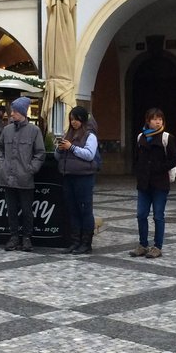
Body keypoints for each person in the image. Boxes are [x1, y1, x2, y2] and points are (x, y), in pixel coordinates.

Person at [0, 96, 45, 252]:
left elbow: (40, 153)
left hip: (25, 178)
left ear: (23, 112)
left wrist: (31, 169)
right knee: (11, 209)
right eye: (12, 111)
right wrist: (2, 166)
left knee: (26, 209)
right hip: (8, 177)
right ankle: (14, 236)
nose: (12, 114)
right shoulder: (6, 130)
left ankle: (26, 238)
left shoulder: (34, 131)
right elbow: (0, 150)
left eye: (15, 111)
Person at [131, 107, 176, 259]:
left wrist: (159, 168)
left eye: (160, 119)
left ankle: (157, 246)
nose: (158, 122)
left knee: (158, 216)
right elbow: (136, 157)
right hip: (144, 183)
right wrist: (139, 171)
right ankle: (143, 244)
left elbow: (174, 159)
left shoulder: (167, 138)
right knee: (141, 215)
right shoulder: (141, 137)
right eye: (154, 119)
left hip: (160, 183)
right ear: (148, 120)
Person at [54, 106, 99, 255]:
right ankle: (75, 241)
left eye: (76, 119)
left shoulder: (89, 135)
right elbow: (58, 157)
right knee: (72, 210)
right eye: (71, 119)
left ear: (82, 119)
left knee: (85, 210)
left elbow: (89, 154)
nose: (73, 122)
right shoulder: (68, 134)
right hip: (69, 176)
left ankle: (86, 243)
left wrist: (71, 147)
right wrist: (60, 149)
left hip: (84, 178)